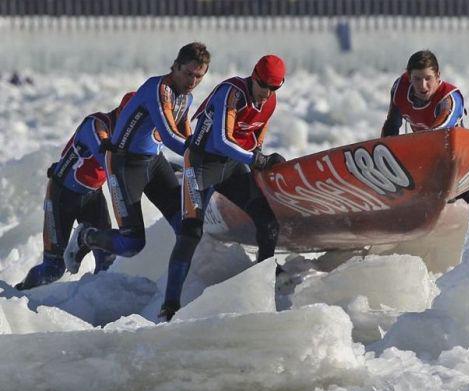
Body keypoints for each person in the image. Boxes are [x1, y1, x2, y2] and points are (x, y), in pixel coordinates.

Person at [159, 54, 287, 321]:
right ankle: (169, 305)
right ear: (254, 76)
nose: (267, 93)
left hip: (231, 167)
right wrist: (256, 160)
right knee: (190, 234)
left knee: (268, 223)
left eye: (275, 88)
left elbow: (257, 134)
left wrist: (259, 157)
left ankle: (263, 285)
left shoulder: (270, 100)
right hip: (200, 166)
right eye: (263, 85)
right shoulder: (231, 93)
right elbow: (221, 140)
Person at [63, 42, 210, 272]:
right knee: (132, 244)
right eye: (188, 74)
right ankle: (86, 236)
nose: (192, 82)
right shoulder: (158, 89)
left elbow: (186, 136)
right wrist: (203, 156)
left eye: (199, 77)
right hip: (124, 164)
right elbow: (171, 137)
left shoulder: (186, 97)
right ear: (175, 66)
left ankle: (181, 285)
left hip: (154, 162)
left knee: (186, 227)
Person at [15, 92, 134, 290]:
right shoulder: (96, 125)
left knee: (107, 262)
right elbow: (108, 160)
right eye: (132, 118)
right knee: (53, 269)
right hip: (62, 195)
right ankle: (14, 297)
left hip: (93, 196)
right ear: (122, 112)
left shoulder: (130, 132)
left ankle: (94, 313)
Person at [381, 49, 469, 204]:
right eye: (417, 79)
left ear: (438, 76)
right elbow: (392, 126)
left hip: (458, 164)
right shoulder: (399, 88)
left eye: (428, 78)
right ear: (409, 77)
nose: (423, 86)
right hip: (425, 157)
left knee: (468, 197)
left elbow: (439, 131)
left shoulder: (450, 98)